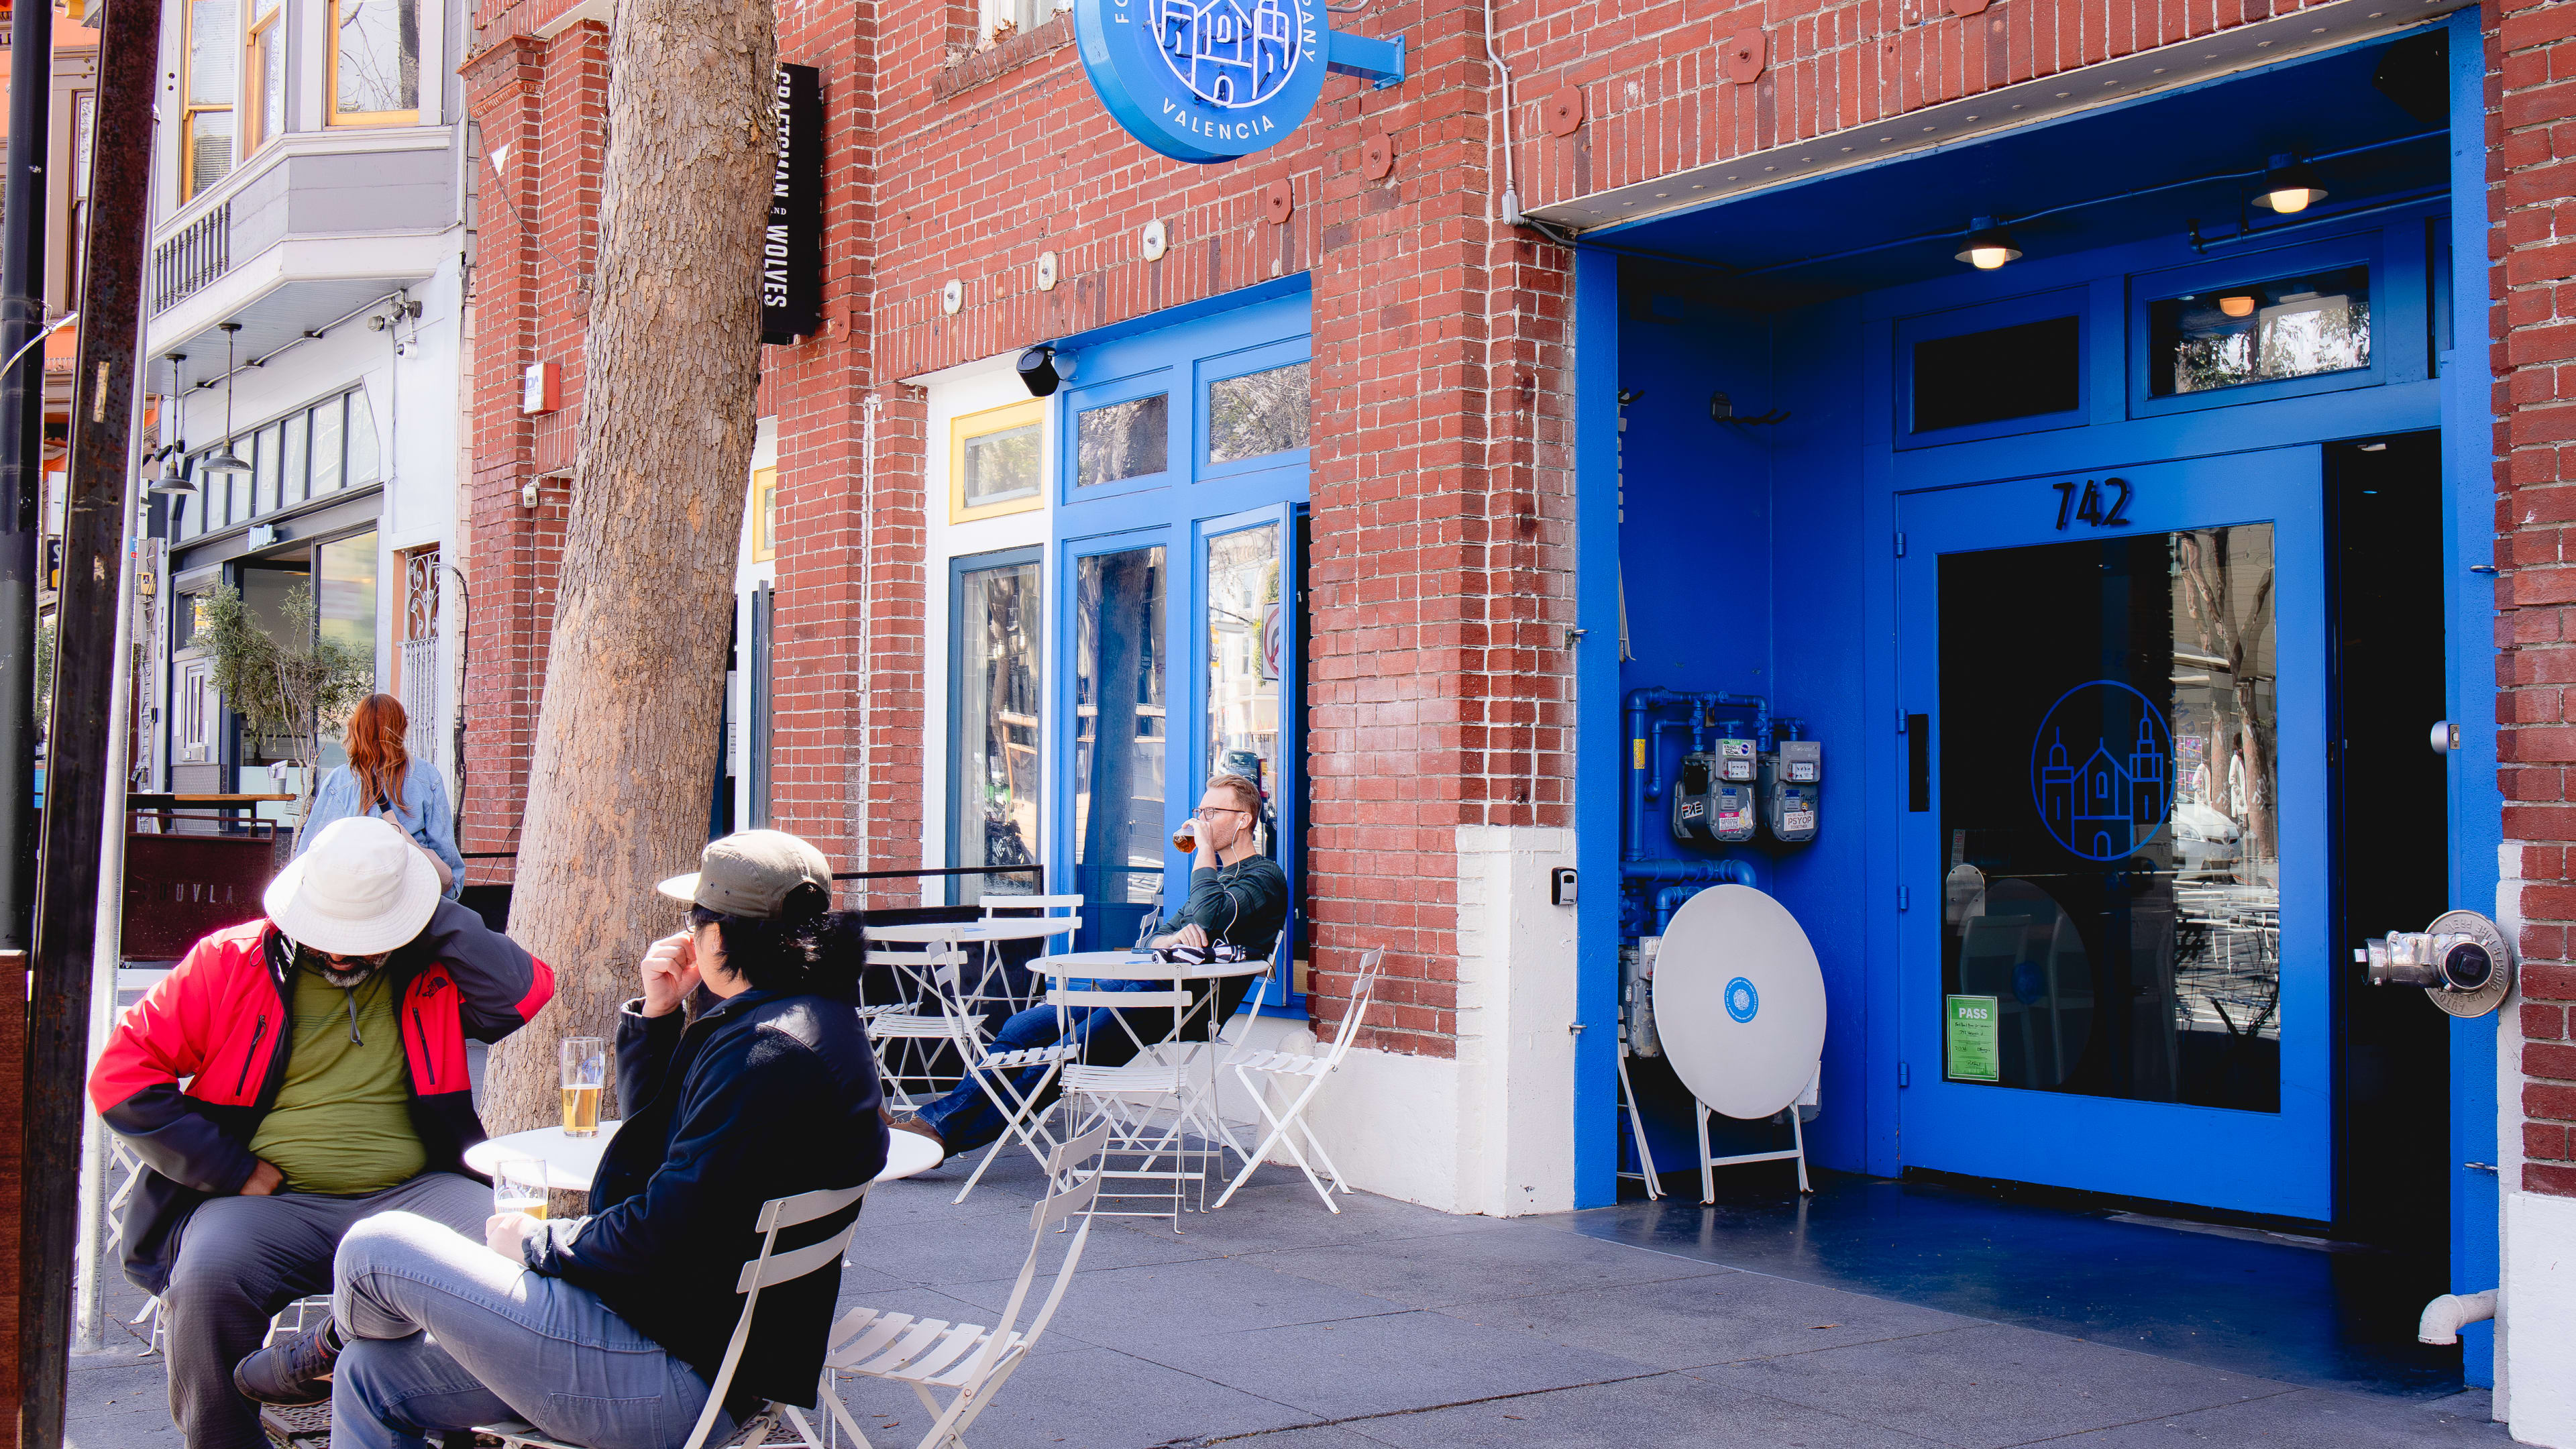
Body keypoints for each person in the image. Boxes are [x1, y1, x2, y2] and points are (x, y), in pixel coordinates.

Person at [233, 828, 888, 1449]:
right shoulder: (818, 1024)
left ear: (722, 935)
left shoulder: (763, 1054)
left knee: (375, 1249)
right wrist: (659, 1016)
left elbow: (667, 1230)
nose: (688, 934)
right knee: (373, 1375)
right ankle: (347, 1346)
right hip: (700, 1355)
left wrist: (540, 1243)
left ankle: (331, 1341)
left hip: (669, 1380)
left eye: (695, 920)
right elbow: (666, 1158)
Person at [88, 815, 554, 1449]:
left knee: (514, 1263)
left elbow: (525, 992)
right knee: (205, 1283)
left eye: (362, 932)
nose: (340, 950)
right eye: (329, 927)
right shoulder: (228, 962)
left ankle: (443, 1424)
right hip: (270, 1205)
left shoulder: (430, 966)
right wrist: (228, 1170)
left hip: (416, 1192)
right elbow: (121, 1076)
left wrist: (430, 906)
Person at [892, 772, 1289, 1160]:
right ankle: (935, 1126)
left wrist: (1203, 855)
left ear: (1244, 820)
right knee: (1020, 1027)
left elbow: (1205, 916)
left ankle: (934, 1137)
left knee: (1055, 1059)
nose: (1201, 822)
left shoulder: (1265, 878)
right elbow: (1152, 940)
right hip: (1143, 987)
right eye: (1199, 812)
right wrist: (1168, 939)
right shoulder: (1215, 878)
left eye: (1212, 813)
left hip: (1185, 1007)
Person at [296, 693, 466, 900]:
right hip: (413, 896)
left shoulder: (339, 782)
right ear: (402, 729)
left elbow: (309, 853)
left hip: (356, 897)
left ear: (356, 730)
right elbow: (446, 855)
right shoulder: (426, 776)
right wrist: (448, 894)